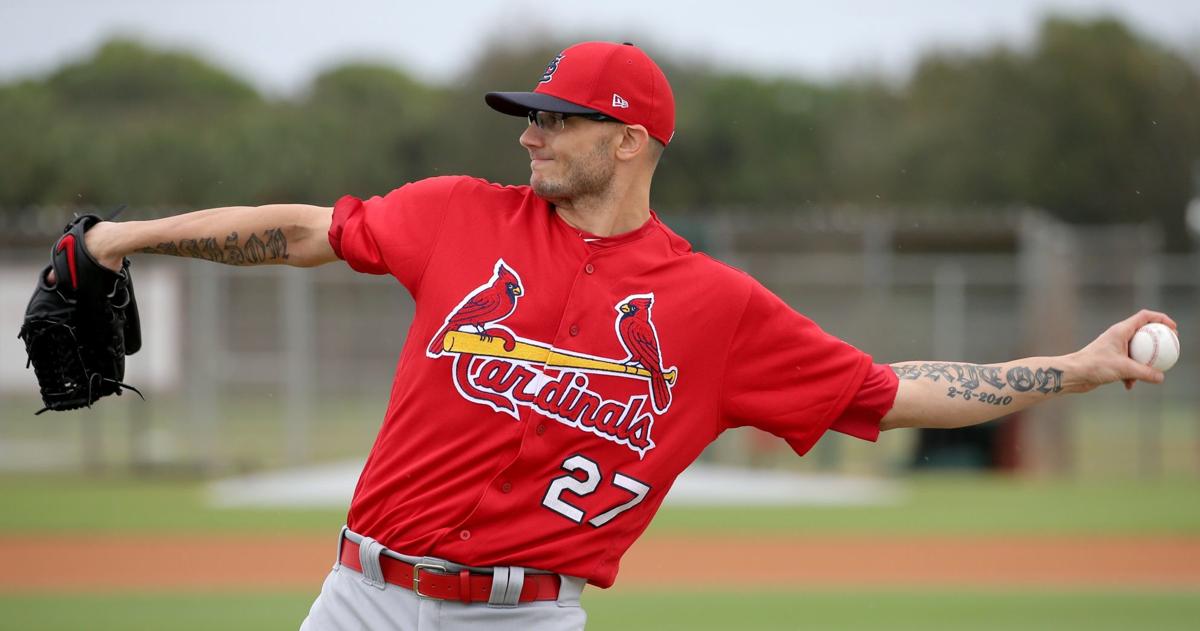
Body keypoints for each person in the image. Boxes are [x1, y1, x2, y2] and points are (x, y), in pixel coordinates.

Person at [64, 41, 1172, 630]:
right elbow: (303, 229)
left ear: (630, 141)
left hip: (526, 619)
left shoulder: (716, 307)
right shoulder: (460, 213)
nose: (533, 133)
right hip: (361, 599)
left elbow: (892, 388)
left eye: (557, 118)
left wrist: (1073, 366)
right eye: (530, 115)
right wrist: (119, 239)